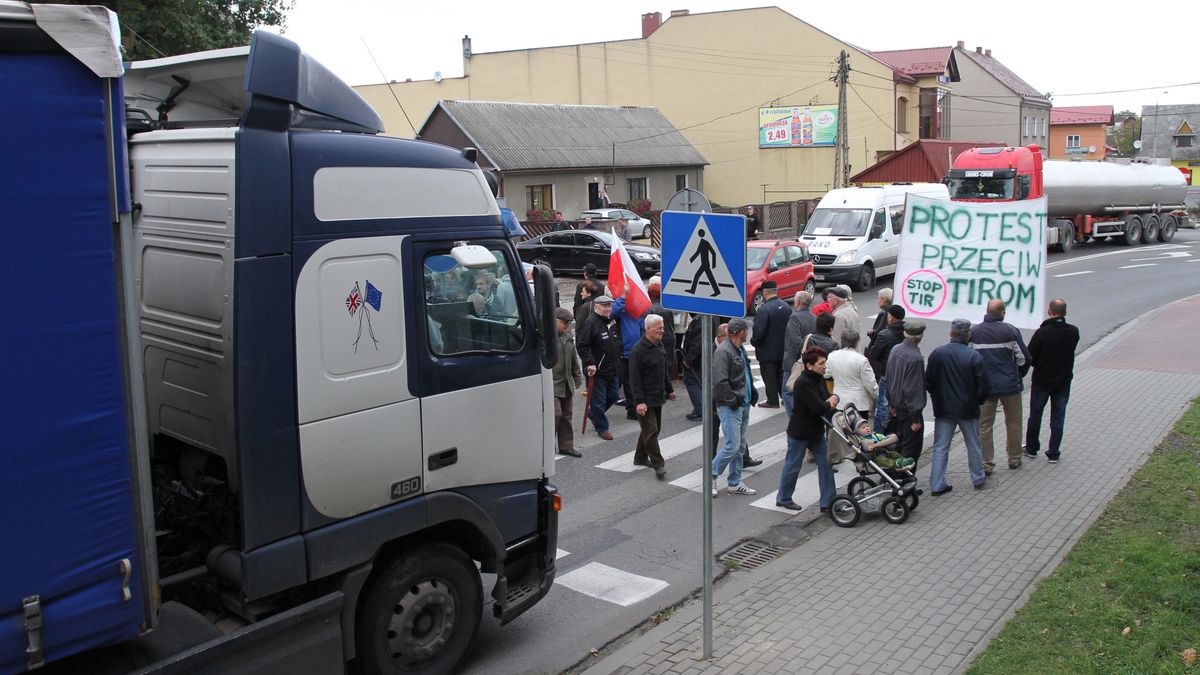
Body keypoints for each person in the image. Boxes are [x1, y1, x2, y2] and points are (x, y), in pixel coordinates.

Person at [925, 318, 990, 494]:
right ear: (967, 335)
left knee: (940, 447)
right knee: (973, 445)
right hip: (967, 409)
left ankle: (937, 484)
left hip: (944, 408)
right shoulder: (974, 356)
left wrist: (936, 397)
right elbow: (983, 386)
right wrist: (978, 400)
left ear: (951, 334)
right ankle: (978, 478)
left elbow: (929, 381)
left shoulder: (938, 353)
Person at [970, 298, 1032, 473]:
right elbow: (1024, 358)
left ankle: (986, 463)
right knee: (1013, 423)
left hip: (985, 388)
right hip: (1009, 386)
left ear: (986, 311)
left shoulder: (974, 332)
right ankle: (1014, 458)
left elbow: (969, 360)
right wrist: (1018, 375)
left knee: (984, 426)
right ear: (1002, 313)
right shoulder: (1010, 331)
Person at [777, 346, 838, 511]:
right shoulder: (803, 383)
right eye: (821, 363)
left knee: (826, 463)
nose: (824, 366)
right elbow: (819, 406)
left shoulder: (819, 378)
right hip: (800, 432)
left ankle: (828, 501)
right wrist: (831, 401)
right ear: (809, 365)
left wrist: (832, 399)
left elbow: (827, 400)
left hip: (816, 432)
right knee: (793, 465)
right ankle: (783, 497)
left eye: (825, 362)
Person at [1023, 298, 1080, 465]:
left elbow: (1030, 356)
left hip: (1042, 381)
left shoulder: (1042, 333)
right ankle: (1054, 452)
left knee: (1035, 414)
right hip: (1063, 381)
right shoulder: (1073, 331)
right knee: (1058, 417)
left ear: (1049, 312)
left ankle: (1032, 448)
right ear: (1065, 312)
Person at [711, 318, 758, 497]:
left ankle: (735, 482)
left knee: (739, 446)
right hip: (731, 406)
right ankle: (710, 476)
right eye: (746, 330)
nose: (748, 333)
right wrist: (732, 401)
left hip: (742, 403)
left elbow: (744, 374)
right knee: (732, 445)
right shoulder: (724, 352)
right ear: (740, 332)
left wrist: (749, 395)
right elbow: (720, 382)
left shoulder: (739, 348)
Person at [629, 314, 676, 479]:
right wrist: (639, 402)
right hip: (645, 399)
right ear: (648, 329)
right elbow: (634, 380)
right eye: (659, 328)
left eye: (662, 327)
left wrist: (670, 390)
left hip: (658, 397)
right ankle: (658, 464)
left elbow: (664, 372)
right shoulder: (638, 351)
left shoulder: (659, 346)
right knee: (652, 431)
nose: (662, 330)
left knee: (651, 430)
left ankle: (640, 457)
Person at [575, 295, 622, 440]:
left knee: (613, 395)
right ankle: (602, 428)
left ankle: (593, 413)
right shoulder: (591, 323)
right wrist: (590, 363)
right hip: (598, 370)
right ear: (597, 307)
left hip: (612, 368)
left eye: (609, 306)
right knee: (599, 400)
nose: (608, 309)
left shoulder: (610, 321)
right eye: (605, 306)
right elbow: (581, 345)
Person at [885, 319, 927, 465]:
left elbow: (889, 378)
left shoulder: (896, 349)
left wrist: (890, 403)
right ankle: (904, 483)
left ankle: (895, 479)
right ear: (921, 337)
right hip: (908, 412)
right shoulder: (915, 358)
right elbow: (912, 390)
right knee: (911, 451)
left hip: (896, 407)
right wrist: (915, 419)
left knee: (899, 446)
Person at [751, 280, 790, 408]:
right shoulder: (785, 306)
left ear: (764, 293)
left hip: (767, 351)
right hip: (783, 349)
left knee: (769, 377)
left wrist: (754, 342)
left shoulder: (764, 310)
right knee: (780, 376)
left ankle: (772, 400)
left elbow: (758, 332)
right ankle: (785, 398)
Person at [868, 304, 906, 433]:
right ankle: (897, 432)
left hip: (887, 373)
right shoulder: (907, 332)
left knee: (883, 405)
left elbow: (874, 354)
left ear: (891, 318)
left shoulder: (885, 334)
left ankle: (880, 435)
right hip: (903, 374)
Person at [552, 308, 584, 457]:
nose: (567, 325)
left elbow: (573, 357)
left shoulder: (567, 335)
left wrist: (578, 377)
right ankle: (548, 447)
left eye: (569, 323)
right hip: (551, 382)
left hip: (566, 381)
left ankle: (566, 446)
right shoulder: (546, 337)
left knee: (566, 415)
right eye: (565, 323)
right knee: (555, 414)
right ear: (555, 320)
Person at [781, 290, 816, 416]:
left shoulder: (794, 317)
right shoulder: (814, 317)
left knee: (787, 390)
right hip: (810, 359)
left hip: (794, 359)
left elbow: (796, 340)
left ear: (798, 302)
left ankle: (795, 417)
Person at [611, 289, 645, 419]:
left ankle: (632, 411)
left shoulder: (638, 311)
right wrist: (622, 297)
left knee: (631, 384)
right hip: (620, 353)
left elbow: (642, 329)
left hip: (633, 353)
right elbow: (611, 312)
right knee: (614, 385)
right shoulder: (620, 308)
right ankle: (597, 411)